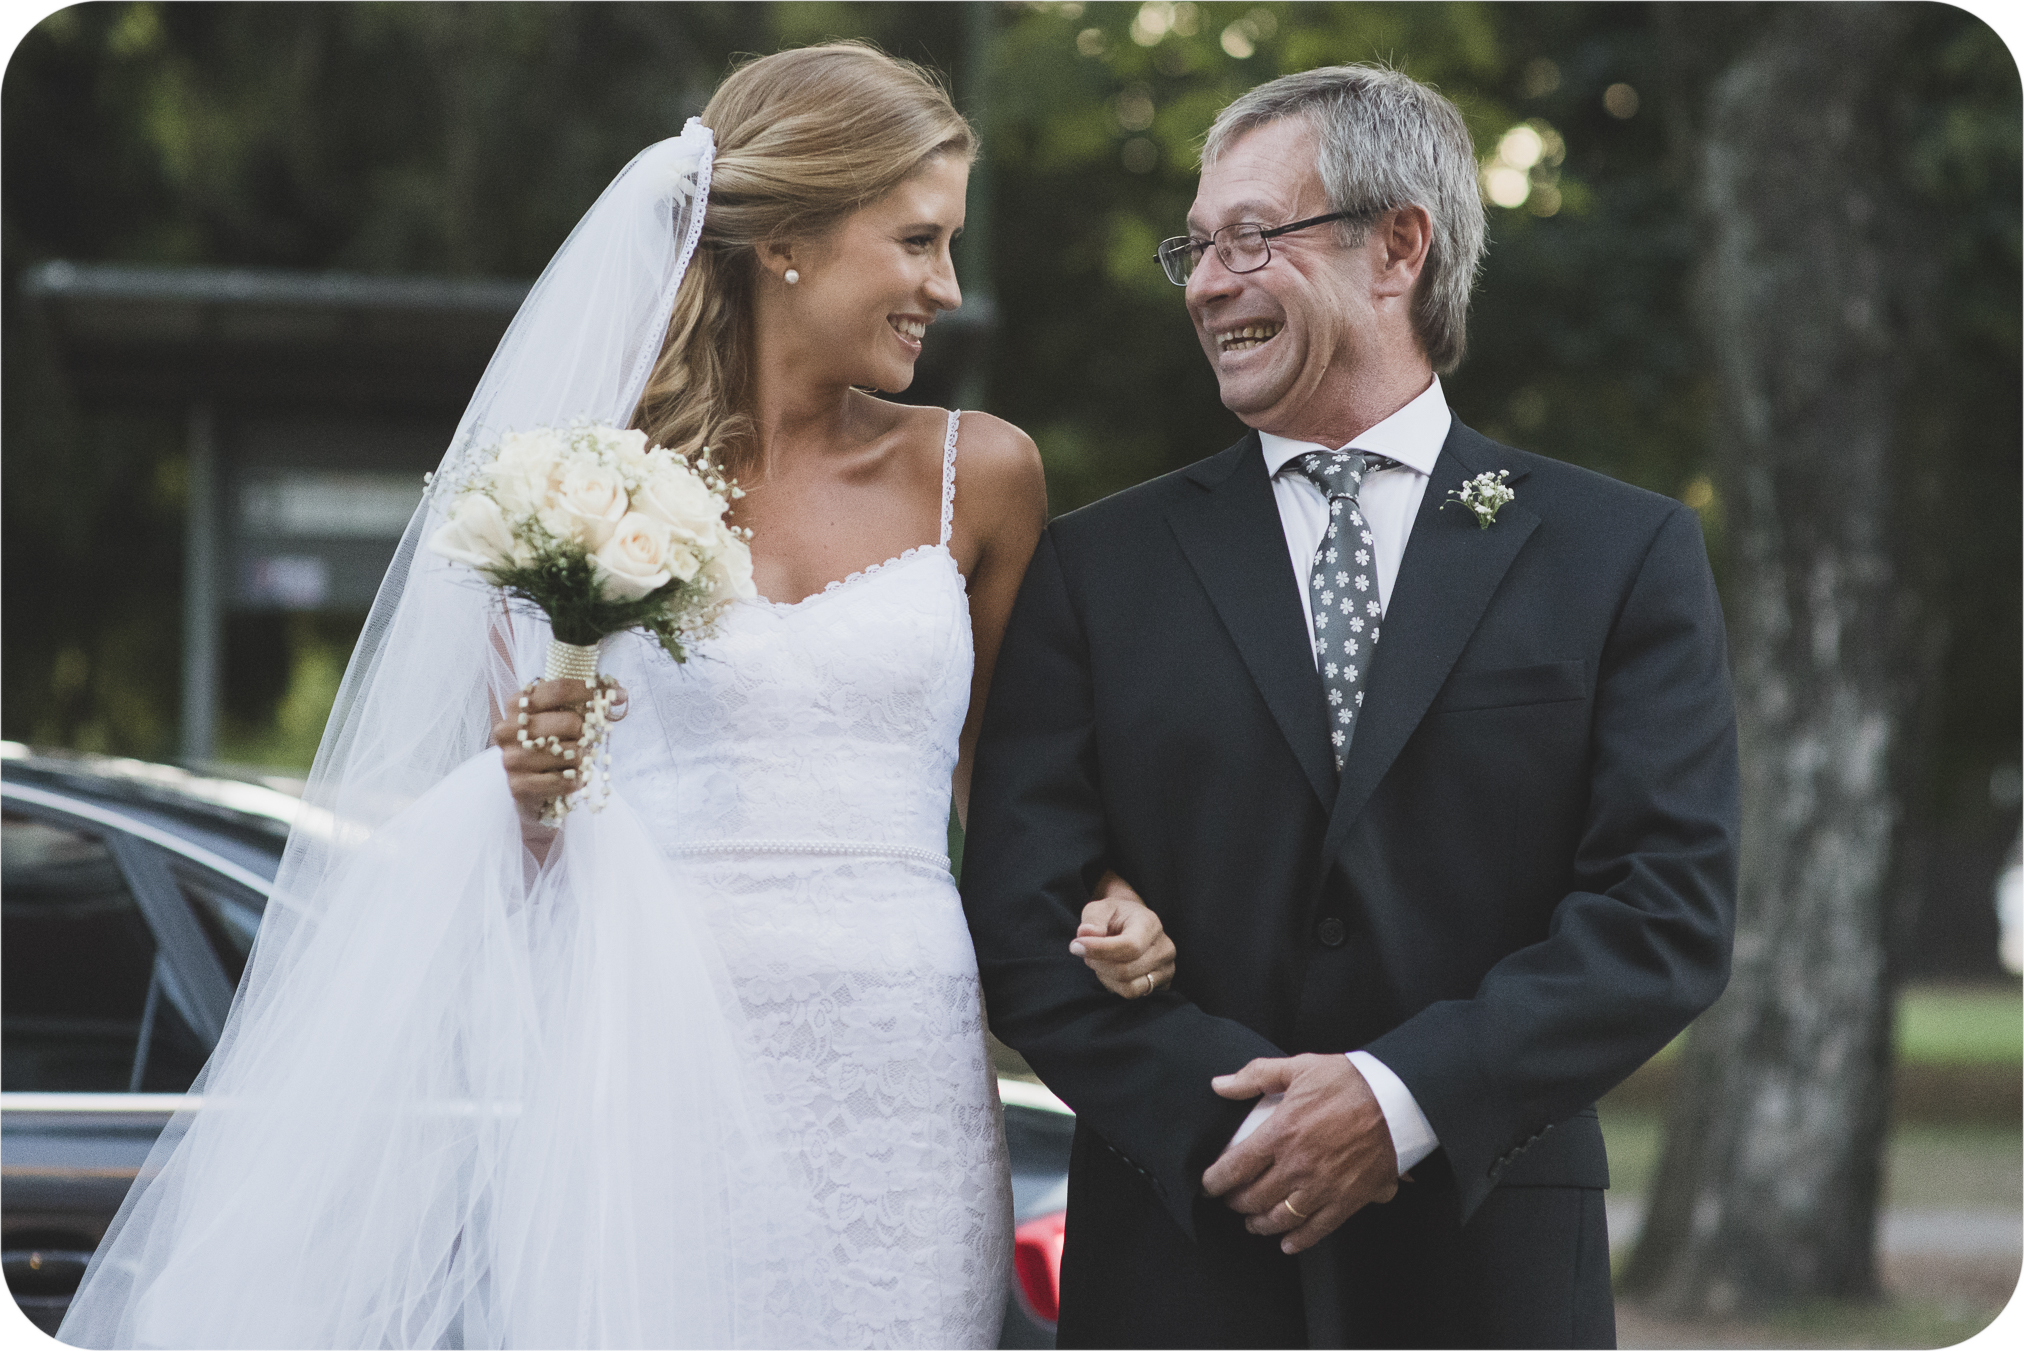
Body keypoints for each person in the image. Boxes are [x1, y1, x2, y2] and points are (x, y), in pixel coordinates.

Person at [59, 44, 1170, 1350]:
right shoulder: (571, 486)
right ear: (793, 242)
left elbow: (1025, 802)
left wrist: (1116, 896)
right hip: (649, 1068)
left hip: (898, 1076)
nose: (948, 286)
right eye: (919, 240)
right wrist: (527, 790)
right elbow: (521, 868)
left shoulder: (981, 474)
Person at [961, 63, 1739, 1349]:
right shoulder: (1096, 568)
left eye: (1252, 238)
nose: (1209, 282)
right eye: (1196, 247)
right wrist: (1246, 1132)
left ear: (1397, 246)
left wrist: (1396, 1102)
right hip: (1179, 1263)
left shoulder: (1620, 553)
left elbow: (1664, 912)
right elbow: (1022, 907)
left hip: (1488, 1264)